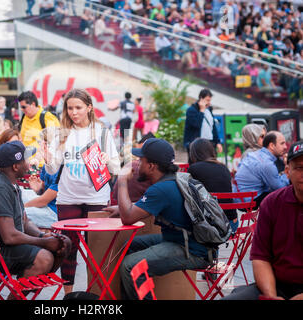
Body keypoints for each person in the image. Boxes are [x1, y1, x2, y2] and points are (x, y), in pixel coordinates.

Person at [105, 138, 211, 300]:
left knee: (130, 267)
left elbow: (128, 218)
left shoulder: (161, 189)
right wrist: (124, 208)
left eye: (141, 160)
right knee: (128, 246)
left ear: (151, 166)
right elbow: (142, 208)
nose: (137, 164)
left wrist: (122, 180)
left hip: (193, 250)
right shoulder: (174, 181)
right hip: (188, 241)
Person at [0, 141, 71, 296]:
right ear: (15, 167)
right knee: (44, 258)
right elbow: (9, 236)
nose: (28, 163)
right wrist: (43, 242)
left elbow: (25, 221)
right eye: (25, 160)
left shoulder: (11, 184)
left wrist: (43, 236)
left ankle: (27, 282)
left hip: (0, 246)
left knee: (64, 244)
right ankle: (20, 291)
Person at [44, 88, 120, 295]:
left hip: (97, 198)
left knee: (97, 251)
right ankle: (68, 296)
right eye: (70, 108)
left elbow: (116, 168)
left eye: (78, 107)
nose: (74, 112)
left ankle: (94, 294)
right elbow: (52, 170)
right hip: (68, 198)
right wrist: (48, 158)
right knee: (67, 249)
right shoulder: (61, 134)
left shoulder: (101, 132)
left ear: (89, 108)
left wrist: (106, 160)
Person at [223, 140, 303, 300]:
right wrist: (271, 296)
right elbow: (261, 256)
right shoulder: (273, 203)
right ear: (287, 172)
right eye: (300, 168)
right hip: (276, 284)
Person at [188, 138, 238, 233]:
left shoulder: (194, 169)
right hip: (232, 223)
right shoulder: (223, 167)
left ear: (193, 153)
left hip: (212, 224)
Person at [234, 131, 289, 208]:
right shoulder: (267, 163)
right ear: (272, 146)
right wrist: (288, 171)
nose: (285, 147)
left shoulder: (254, 154)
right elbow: (280, 188)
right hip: (249, 202)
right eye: (282, 143)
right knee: (286, 195)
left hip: (240, 198)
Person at [22, 128, 59, 230]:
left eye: (41, 143)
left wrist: (21, 207)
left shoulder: (60, 168)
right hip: (47, 207)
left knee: (18, 213)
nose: (39, 147)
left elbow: (43, 201)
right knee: (20, 192)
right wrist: (38, 189)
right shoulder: (47, 165)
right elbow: (42, 193)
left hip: (55, 213)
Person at [183, 89, 223, 160]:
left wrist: (218, 142)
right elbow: (196, 124)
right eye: (207, 100)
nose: (209, 103)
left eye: (210, 100)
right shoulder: (191, 110)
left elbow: (212, 127)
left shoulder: (209, 110)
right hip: (196, 144)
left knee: (211, 162)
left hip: (209, 142)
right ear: (201, 98)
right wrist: (201, 111)